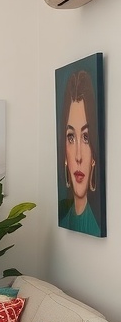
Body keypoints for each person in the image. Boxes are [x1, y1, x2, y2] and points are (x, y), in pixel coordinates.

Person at [58, 69, 101, 236]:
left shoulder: (96, 227)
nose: (78, 156)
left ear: (94, 158)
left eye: (86, 138)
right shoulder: (64, 220)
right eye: (70, 137)